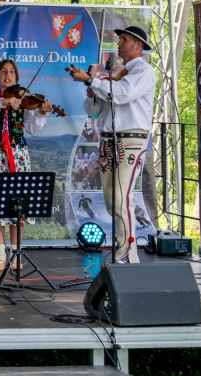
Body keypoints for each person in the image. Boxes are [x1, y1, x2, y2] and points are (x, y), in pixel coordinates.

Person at [67, 25, 156, 264]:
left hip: (130, 138)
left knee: (121, 196)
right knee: (111, 199)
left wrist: (92, 80)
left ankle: (126, 253)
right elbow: (95, 111)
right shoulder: (116, 75)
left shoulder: (143, 71)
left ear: (138, 45)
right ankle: (123, 249)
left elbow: (123, 94)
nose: (119, 43)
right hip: (108, 138)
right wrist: (93, 91)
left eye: (124, 39)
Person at [0, 59, 51, 271]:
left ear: (16, 76)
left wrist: (41, 114)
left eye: (12, 72)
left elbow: (31, 129)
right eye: (3, 71)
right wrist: (2, 102)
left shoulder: (23, 98)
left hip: (18, 154)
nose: (8, 75)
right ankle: (0, 256)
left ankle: (16, 255)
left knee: (19, 204)